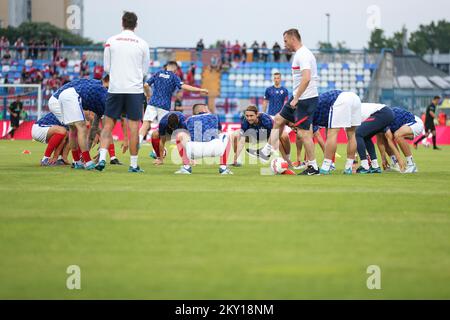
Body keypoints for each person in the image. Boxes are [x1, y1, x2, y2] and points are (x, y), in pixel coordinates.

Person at [96, 11, 150, 173]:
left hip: (115, 88)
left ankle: (102, 160)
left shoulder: (111, 41)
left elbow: (106, 68)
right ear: (136, 24)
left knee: (108, 126)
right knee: (134, 127)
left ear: (122, 23)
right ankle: (133, 165)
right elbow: (145, 70)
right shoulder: (142, 43)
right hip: (134, 89)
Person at [260, 29, 320, 175]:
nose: (284, 44)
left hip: (305, 99)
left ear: (293, 39)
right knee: (279, 119)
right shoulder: (300, 54)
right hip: (299, 97)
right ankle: (266, 151)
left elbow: (306, 78)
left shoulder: (303, 54)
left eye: (285, 41)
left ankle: (313, 167)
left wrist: (296, 98)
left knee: (304, 133)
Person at [139, 61, 208, 148]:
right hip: (164, 105)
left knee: (145, 124)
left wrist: (148, 95)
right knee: (162, 130)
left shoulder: (158, 73)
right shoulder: (174, 77)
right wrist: (201, 90)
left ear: (166, 67)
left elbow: (145, 85)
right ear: (175, 69)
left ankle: (138, 142)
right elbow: (185, 87)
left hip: (152, 102)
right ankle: (157, 152)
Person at [49, 77, 109, 170]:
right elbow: (103, 126)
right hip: (70, 97)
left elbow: (96, 123)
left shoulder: (93, 84)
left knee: (73, 129)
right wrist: (103, 147)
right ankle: (87, 162)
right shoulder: (102, 91)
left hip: (63, 96)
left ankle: (77, 161)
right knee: (81, 128)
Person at [312, 90, 361, 175]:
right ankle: (348, 167)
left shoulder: (314, 108)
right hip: (355, 98)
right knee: (351, 134)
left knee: (332, 133)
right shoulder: (318, 102)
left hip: (341, 100)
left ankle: (326, 167)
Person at [174, 104, 232, 175]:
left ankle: (186, 167)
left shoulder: (188, 120)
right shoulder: (214, 116)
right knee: (226, 135)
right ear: (204, 110)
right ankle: (223, 168)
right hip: (215, 149)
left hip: (194, 151)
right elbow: (219, 131)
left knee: (179, 136)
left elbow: (187, 133)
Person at [356, 103, 395, 174]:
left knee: (358, 134)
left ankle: (364, 166)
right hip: (386, 112)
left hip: (382, 113)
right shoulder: (353, 108)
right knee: (365, 136)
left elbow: (353, 137)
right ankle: (375, 166)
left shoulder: (351, 111)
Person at [383, 107, 424, 174]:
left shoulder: (383, 119)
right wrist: (383, 158)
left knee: (398, 135)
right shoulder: (381, 118)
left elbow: (390, 141)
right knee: (386, 137)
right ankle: (395, 164)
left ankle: (411, 165)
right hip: (404, 125)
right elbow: (384, 140)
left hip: (415, 122)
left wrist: (400, 159)